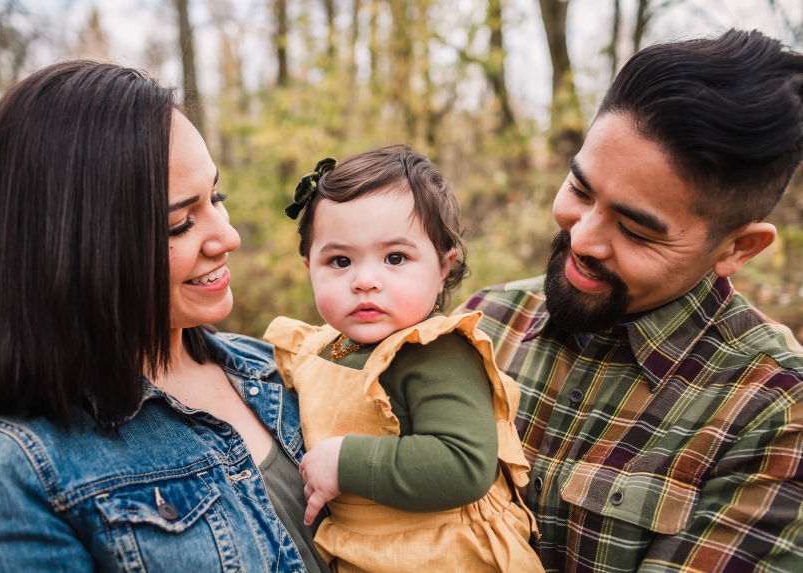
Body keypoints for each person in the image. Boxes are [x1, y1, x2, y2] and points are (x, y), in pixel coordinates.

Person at [0, 61, 330, 573]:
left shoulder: (282, 368)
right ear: (73, 248)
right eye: (179, 223)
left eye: (217, 198)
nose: (227, 237)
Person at [459, 29, 803, 573]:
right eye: (579, 190)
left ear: (738, 247)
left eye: (638, 231)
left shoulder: (775, 414)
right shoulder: (484, 321)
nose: (583, 239)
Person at [263, 148, 545, 573]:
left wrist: (346, 463)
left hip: (445, 555)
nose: (365, 281)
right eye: (339, 261)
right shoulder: (321, 347)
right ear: (309, 267)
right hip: (367, 552)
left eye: (395, 258)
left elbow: (464, 464)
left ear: (443, 268)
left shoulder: (434, 350)